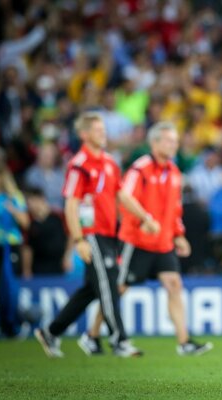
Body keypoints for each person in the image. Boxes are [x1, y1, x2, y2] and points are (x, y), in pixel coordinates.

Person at [34, 112, 159, 358]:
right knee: (109, 284)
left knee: (92, 289)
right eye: (98, 131)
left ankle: (51, 331)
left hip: (108, 232)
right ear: (84, 134)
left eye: (104, 130)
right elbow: (71, 202)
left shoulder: (110, 162)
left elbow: (122, 195)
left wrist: (145, 217)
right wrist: (79, 239)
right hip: (91, 233)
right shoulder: (79, 164)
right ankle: (119, 340)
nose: (104, 134)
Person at [85, 122, 213, 356]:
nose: (173, 145)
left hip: (163, 242)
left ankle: (184, 342)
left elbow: (175, 209)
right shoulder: (140, 169)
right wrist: (143, 220)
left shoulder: (174, 172)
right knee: (119, 289)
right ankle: (92, 335)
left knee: (174, 285)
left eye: (175, 141)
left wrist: (178, 235)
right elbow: (124, 198)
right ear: (154, 143)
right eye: (168, 141)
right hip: (138, 241)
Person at [0, 159, 30, 337]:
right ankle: (3, 324)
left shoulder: (13, 197)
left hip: (9, 246)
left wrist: (13, 210)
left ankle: (13, 324)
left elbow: (26, 222)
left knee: (7, 286)